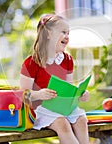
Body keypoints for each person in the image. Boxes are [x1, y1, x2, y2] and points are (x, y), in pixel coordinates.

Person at [20, 14, 90, 144]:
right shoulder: (31, 63)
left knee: (81, 120)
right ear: (48, 34)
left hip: (62, 108)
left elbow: (69, 88)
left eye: (68, 33)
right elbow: (22, 95)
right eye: (63, 32)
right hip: (40, 110)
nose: (67, 36)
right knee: (62, 123)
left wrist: (80, 94)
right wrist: (39, 94)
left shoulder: (67, 60)